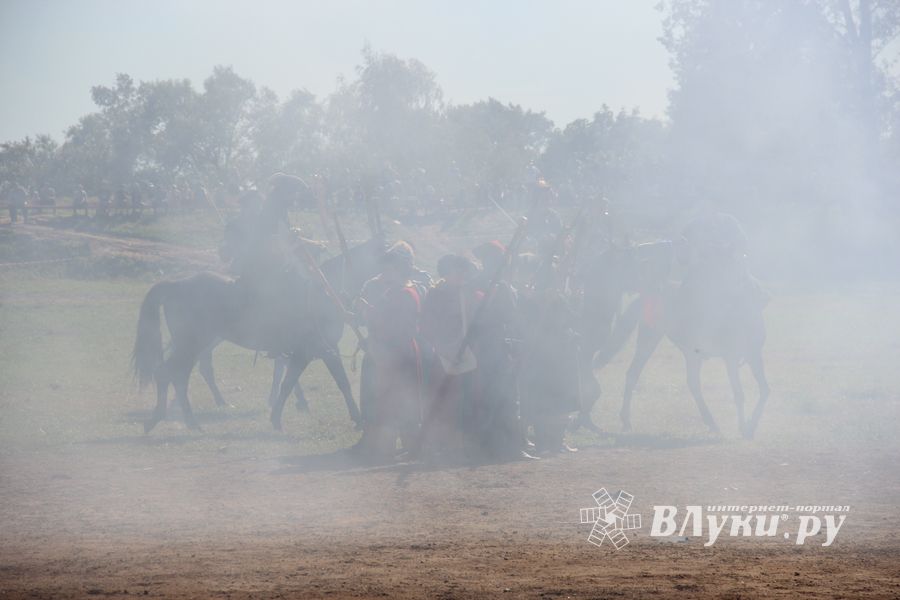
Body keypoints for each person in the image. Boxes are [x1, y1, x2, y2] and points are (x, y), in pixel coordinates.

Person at [356, 243, 423, 459]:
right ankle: (383, 448)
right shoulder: (390, 291)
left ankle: (411, 449)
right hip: (385, 351)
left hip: (398, 352)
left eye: (390, 269)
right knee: (385, 400)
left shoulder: (405, 293)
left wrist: (369, 313)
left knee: (402, 402)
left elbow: (395, 326)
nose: (385, 272)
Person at [419, 254, 483, 458]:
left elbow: (478, 324)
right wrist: (445, 349)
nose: (461, 275)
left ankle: (466, 443)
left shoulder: (472, 294)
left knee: (468, 400)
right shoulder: (435, 295)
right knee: (445, 401)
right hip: (443, 354)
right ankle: (443, 445)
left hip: (470, 355)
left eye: (463, 271)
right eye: (457, 270)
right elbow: (428, 327)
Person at [469, 240, 528, 460]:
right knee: (502, 396)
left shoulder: (502, 285)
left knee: (506, 397)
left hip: (500, 345)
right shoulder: (485, 286)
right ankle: (499, 446)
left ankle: (506, 446)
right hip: (489, 346)